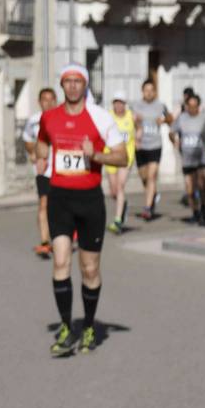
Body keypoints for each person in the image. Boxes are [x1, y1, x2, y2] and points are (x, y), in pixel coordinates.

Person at [34, 64, 128, 357]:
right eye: (68, 82)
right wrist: (40, 160)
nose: (73, 86)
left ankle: (87, 325)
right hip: (60, 198)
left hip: (89, 200)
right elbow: (41, 143)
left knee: (89, 268)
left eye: (78, 81)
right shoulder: (49, 118)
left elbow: (123, 157)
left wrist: (95, 155)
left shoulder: (100, 118)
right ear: (62, 85)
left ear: (84, 85)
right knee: (60, 261)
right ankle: (65, 326)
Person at [171, 92, 205, 226]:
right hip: (187, 159)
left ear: (199, 106)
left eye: (195, 106)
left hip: (202, 158)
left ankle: (203, 206)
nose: (192, 109)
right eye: (190, 106)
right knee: (190, 188)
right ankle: (195, 212)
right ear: (186, 106)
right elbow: (171, 132)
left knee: (202, 184)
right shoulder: (181, 119)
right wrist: (175, 142)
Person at [22, 87, 58, 258]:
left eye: (51, 99)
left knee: (57, 205)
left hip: (60, 169)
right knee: (43, 203)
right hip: (42, 169)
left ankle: (60, 236)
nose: (48, 103)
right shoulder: (34, 121)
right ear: (39, 102)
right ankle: (45, 242)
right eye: (45, 99)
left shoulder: (61, 119)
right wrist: (33, 152)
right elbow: (27, 139)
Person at [131, 79, 172, 220]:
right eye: (146, 90)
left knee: (151, 176)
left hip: (155, 145)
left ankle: (148, 208)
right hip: (140, 146)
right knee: (143, 177)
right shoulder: (135, 106)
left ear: (154, 92)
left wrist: (164, 120)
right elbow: (127, 120)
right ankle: (153, 194)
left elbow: (170, 118)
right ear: (142, 91)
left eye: (151, 90)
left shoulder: (161, 106)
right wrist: (134, 121)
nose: (148, 93)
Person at [104, 91, 136, 235]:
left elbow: (139, 128)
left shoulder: (132, 117)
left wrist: (139, 136)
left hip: (125, 157)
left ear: (125, 104)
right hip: (110, 157)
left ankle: (117, 220)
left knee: (120, 186)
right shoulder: (107, 116)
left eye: (121, 103)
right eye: (115, 102)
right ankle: (123, 205)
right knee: (113, 191)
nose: (118, 105)